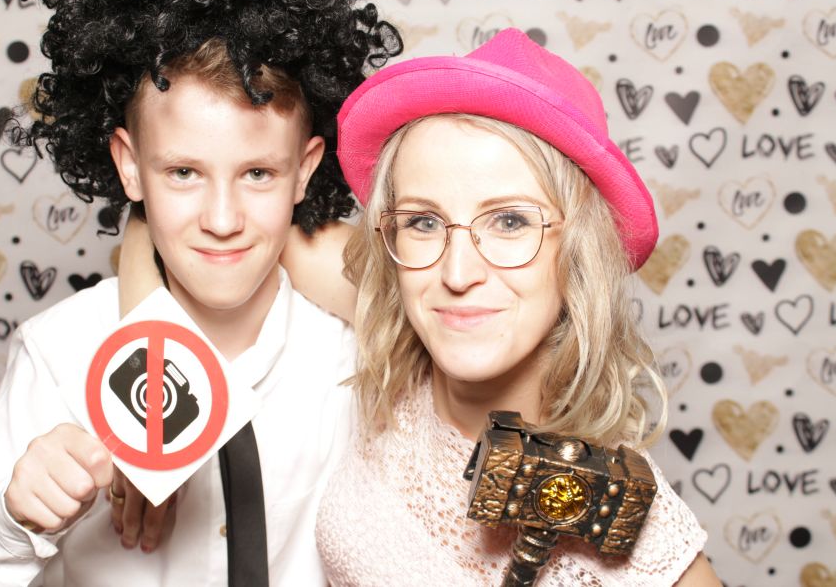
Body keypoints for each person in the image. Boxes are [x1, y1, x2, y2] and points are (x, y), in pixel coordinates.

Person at [0, 0, 399, 586]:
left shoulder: (360, 359)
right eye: (184, 172)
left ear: (306, 169)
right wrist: (9, 518)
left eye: (257, 173)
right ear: (130, 166)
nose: (222, 219)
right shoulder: (62, 354)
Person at [118, 29, 720, 584]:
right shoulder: (404, 324)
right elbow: (187, 231)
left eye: (510, 221)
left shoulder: (626, 524)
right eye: (424, 222)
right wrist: (154, 432)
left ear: (580, 248)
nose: (457, 274)